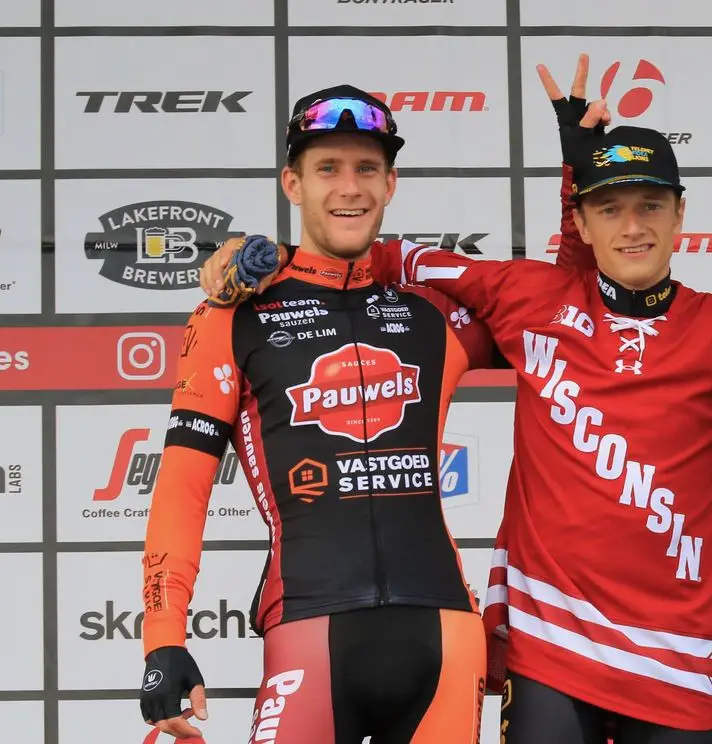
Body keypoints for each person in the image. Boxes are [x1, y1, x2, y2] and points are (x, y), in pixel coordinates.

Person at [195, 57, 712, 744]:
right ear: (582, 219)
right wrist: (250, 258)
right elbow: (367, 249)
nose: (633, 227)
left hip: (679, 663)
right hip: (548, 654)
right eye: (608, 209)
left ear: (681, 217)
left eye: (650, 207)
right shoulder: (527, 296)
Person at [137, 85, 505, 743]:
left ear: (391, 184)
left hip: (445, 635)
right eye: (327, 168)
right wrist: (162, 637)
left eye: (367, 168)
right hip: (309, 629)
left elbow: (563, 321)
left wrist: (575, 191)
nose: (349, 187)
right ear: (292, 183)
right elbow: (183, 489)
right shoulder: (233, 315)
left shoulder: (428, 314)